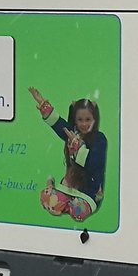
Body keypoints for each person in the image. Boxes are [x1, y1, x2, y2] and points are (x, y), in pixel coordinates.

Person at [28, 86, 107, 221]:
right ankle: (57, 195)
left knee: (78, 212)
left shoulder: (99, 139)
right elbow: (58, 124)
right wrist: (43, 104)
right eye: (80, 120)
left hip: (89, 192)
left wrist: (78, 147)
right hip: (69, 187)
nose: (84, 124)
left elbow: (94, 163)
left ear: (94, 119)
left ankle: (65, 203)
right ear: (75, 120)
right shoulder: (73, 133)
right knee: (47, 199)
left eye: (88, 120)